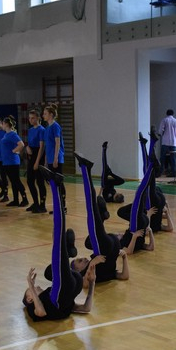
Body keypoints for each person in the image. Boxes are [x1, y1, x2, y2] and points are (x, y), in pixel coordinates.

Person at [23, 167, 97, 321]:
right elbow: (41, 312)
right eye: (29, 292)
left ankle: (67, 252)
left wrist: (90, 285)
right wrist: (92, 284)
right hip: (62, 292)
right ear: (30, 299)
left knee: (58, 241)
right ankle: (54, 183)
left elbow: (85, 308)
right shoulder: (32, 307)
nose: (34, 288)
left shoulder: (45, 294)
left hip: (71, 285)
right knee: (58, 236)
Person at [73, 153, 130, 283]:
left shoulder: (93, 269)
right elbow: (124, 276)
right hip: (107, 248)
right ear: (78, 270)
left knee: (89, 240)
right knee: (91, 208)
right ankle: (85, 168)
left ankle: (102, 218)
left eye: (80, 259)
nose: (84, 259)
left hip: (110, 244)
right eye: (80, 261)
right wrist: (124, 257)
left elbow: (123, 277)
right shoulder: (84, 274)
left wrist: (93, 261)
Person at [40, 104, 66, 209]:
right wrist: (46, 161)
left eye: (45, 114)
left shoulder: (55, 126)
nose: (43, 115)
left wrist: (56, 158)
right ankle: (57, 206)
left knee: (59, 182)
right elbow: (47, 146)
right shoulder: (47, 128)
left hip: (57, 158)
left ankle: (63, 206)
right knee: (53, 184)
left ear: (51, 114)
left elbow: (57, 143)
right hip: (50, 159)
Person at [0, 116, 28, 207]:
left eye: (3, 123)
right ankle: (16, 200)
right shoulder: (6, 134)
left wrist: (13, 151)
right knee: (13, 181)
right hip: (7, 162)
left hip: (12, 162)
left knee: (16, 181)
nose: (2, 125)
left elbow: (21, 144)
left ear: (6, 124)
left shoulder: (12, 134)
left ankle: (25, 199)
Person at [25, 108, 48, 213]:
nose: (30, 120)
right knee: (29, 180)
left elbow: (41, 147)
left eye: (33, 118)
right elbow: (29, 143)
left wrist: (37, 162)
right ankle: (35, 203)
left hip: (39, 156)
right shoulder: (30, 130)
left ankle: (42, 205)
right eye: (29, 118)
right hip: (32, 155)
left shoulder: (41, 130)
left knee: (40, 181)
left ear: (38, 118)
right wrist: (27, 147)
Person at [158, 109, 176, 177]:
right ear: (173, 114)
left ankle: (160, 171)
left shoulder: (164, 120)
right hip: (173, 142)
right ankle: (174, 172)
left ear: (166, 113)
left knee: (162, 157)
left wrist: (160, 134)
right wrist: (175, 134)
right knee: (173, 158)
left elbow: (160, 131)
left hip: (165, 142)